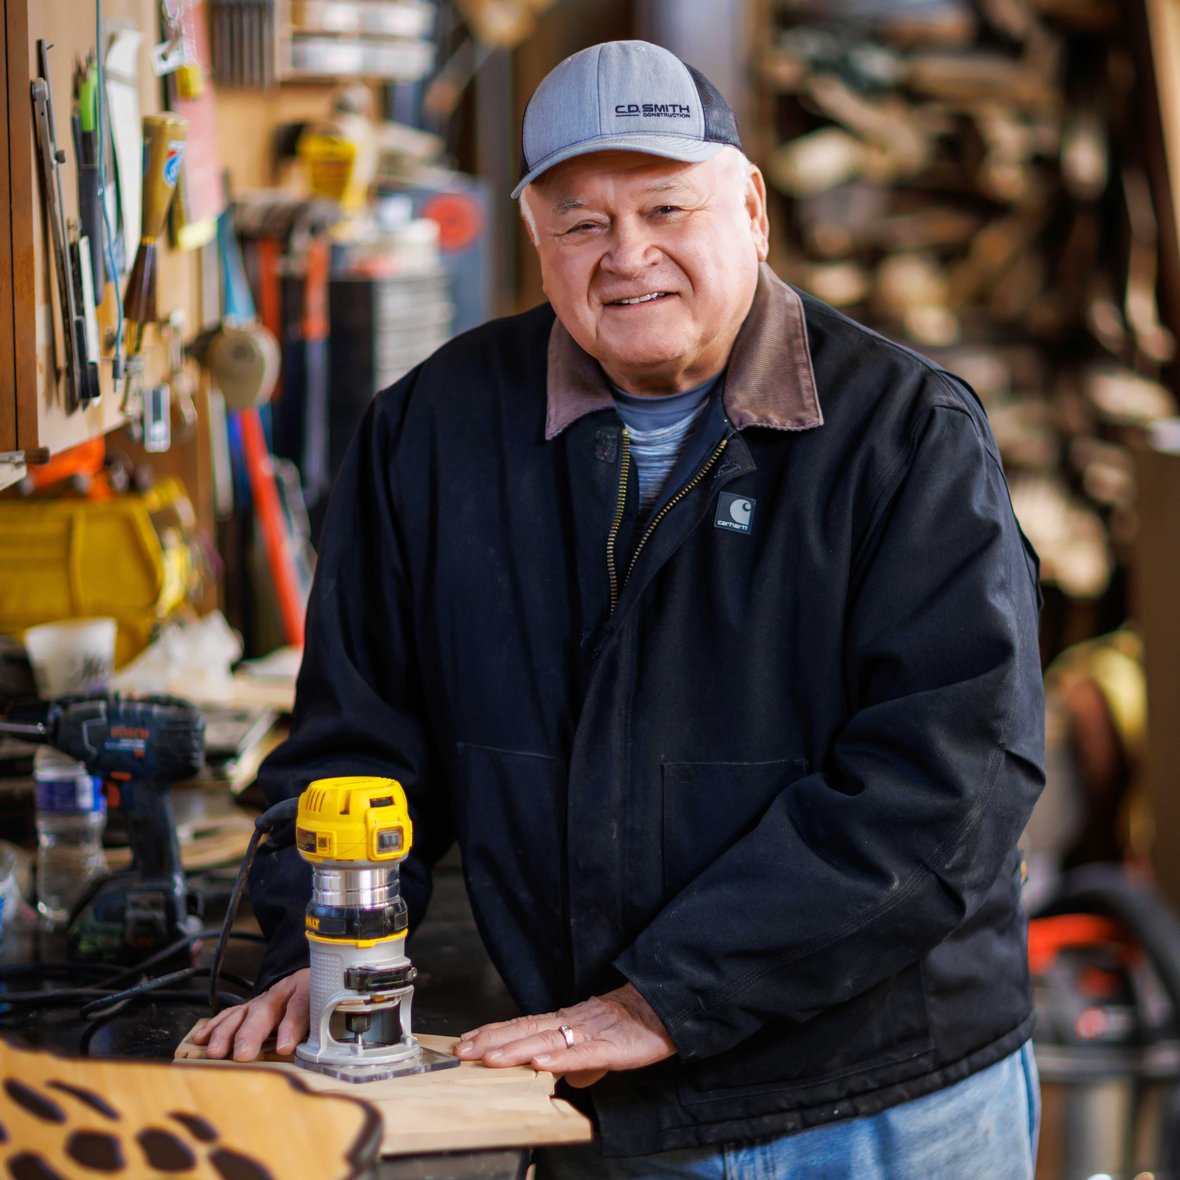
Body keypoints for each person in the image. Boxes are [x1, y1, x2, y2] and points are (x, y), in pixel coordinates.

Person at [196, 39, 1045, 1178]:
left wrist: (664, 998)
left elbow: (951, 783)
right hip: (604, 1107)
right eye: (581, 221)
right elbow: (359, 744)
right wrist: (324, 948)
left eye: (665, 207)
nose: (628, 254)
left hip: (878, 1101)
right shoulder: (432, 433)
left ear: (751, 209)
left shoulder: (903, 437)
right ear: (534, 238)